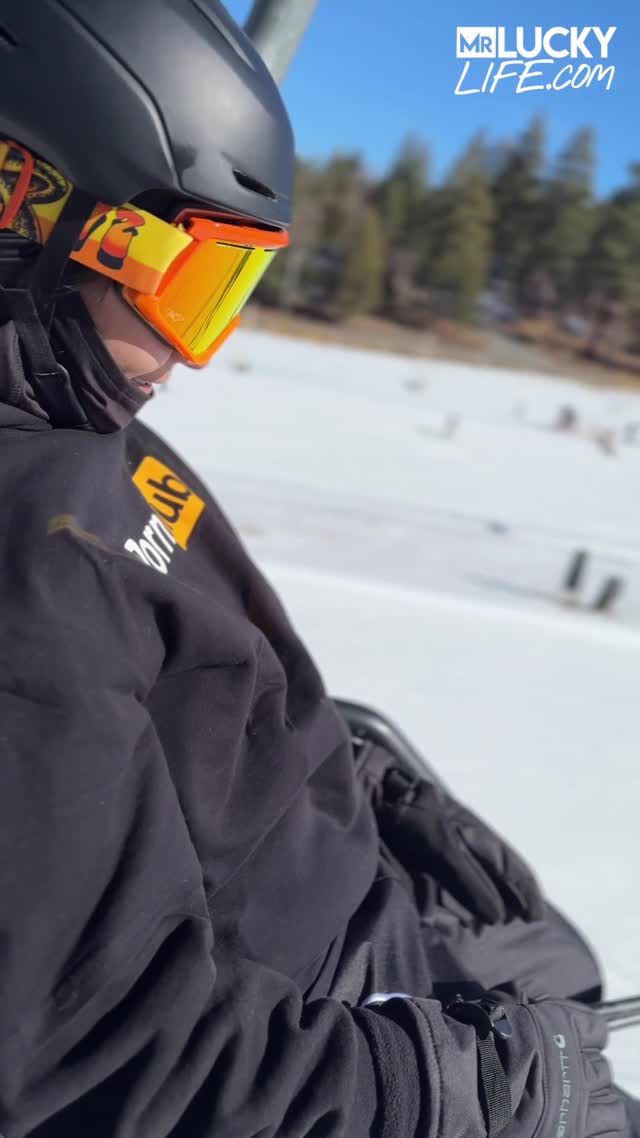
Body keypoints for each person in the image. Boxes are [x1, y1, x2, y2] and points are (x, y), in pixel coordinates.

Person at [0, 2, 634, 1135]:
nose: (193, 353)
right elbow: (97, 1060)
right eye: (197, 286)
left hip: (379, 920)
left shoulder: (77, 410)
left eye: (234, 293)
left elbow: (174, 672)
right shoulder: (24, 568)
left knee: (566, 967)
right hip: (318, 1046)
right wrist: (472, 1097)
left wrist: (338, 766)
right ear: (27, 209)